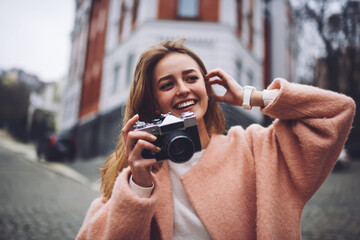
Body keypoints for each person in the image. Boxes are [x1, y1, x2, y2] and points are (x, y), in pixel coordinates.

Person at [76, 39, 355, 240]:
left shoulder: (254, 148)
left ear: (208, 89)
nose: (183, 89)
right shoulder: (138, 174)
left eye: (191, 78)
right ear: (153, 102)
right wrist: (138, 185)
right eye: (167, 84)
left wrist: (250, 97)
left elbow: (337, 111)